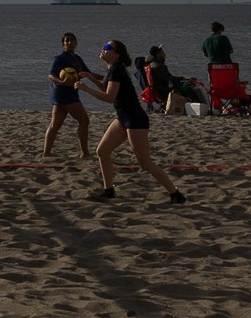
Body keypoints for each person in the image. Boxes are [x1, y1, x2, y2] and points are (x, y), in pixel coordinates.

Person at [77, 40, 184, 204]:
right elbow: (108, 90)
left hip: (135, 119)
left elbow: (109, 97)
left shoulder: (117, 71)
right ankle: (109, 191)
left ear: (116, 54)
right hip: (123, 117)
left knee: (145, 161)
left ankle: (175, 194)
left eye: (107, 48)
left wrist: (86, 89)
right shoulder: (113, 69)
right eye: (104, 47)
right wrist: (92, 79)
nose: (103, 49)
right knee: (102, 151)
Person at [43, 32, 95, 161]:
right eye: (67, 41)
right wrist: (62, 82)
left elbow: (88, 73)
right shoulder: (59, 59)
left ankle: (46, 153)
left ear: (76, 43)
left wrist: (107, 78)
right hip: (63, 94)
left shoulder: (77, 58)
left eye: (72, 40)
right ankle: (84, 153)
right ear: (63, 44)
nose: (70, 43)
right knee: (84, 120)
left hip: (67, 94)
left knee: (55, 125)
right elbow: (51, 75)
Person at [143, 46, 186, 114]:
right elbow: (170, 79)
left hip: (154, 92)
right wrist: (183, 79)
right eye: (162, 53)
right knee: (187, 86)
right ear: (158, 54)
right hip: (163, 92)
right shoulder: (159, 67)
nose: (164, 55)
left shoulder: (149, 65)